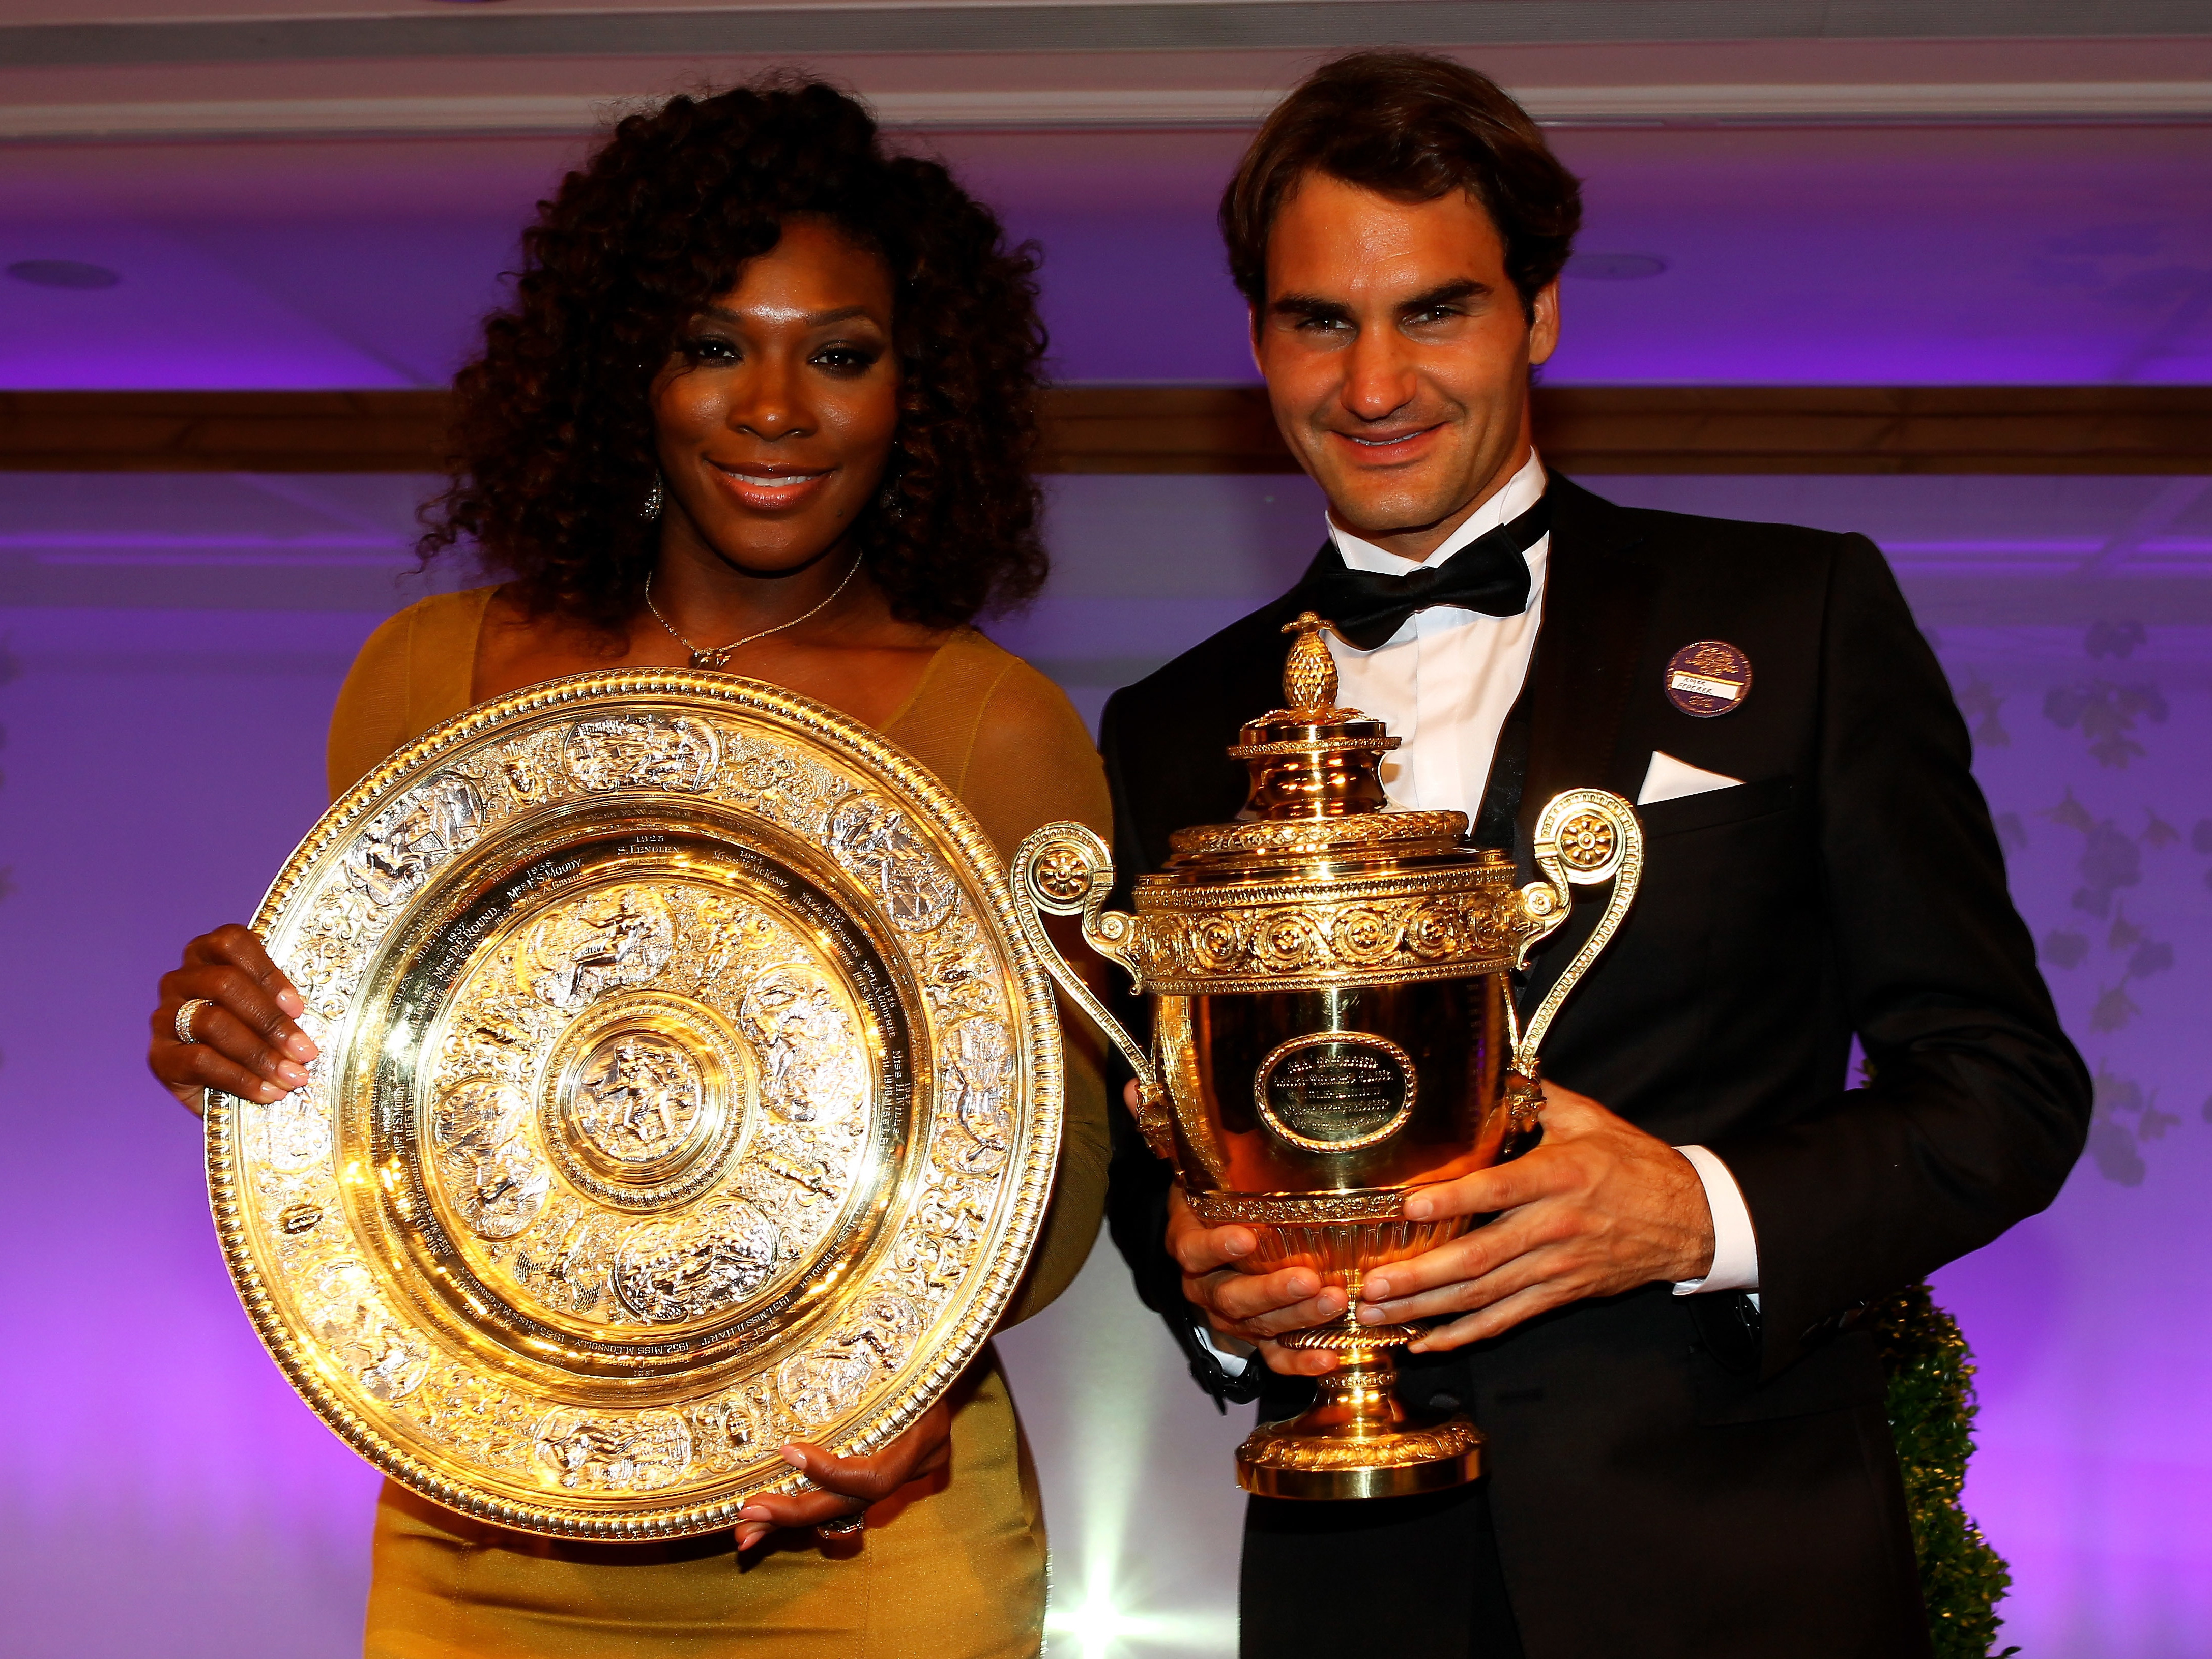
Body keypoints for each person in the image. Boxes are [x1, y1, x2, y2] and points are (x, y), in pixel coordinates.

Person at [1097, 52, 2090, 1658]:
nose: (1372, 385)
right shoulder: (1168, 724)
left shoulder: (1797, 616)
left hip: (1740, 1571)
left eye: (1435, 310)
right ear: (1258, 338)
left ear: (1538, 311)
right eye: (1317, 321)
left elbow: (2003, 1091)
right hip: (1353, 1588)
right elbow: (1168, 1140)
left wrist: (1696, 1213)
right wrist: (1218, 1291)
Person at [146, 75, 1108, 1659]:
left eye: (841, 355)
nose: (777, 407)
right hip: (477, 1537)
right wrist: (234, 1047)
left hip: (858, 1532)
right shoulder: (427, 679)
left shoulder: (994, 729)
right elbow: (372, 1095)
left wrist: (914, 1384)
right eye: (715, 343)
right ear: (625, 371)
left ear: (916, 394)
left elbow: (1056, 1187)